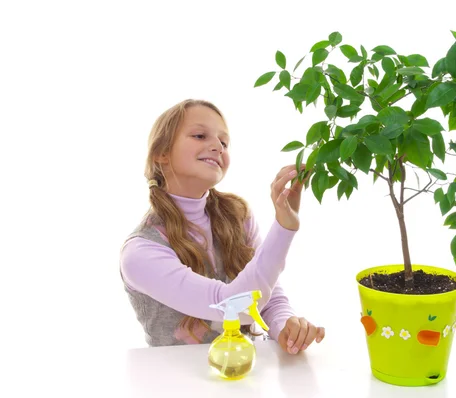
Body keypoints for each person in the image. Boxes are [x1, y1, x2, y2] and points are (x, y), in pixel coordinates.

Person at [119, 99, 324, 355]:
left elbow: (268, 296)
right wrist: (283, 228)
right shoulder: (141, 251)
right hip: (177, 384)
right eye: (199, 135)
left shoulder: (237, 215)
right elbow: (230, 306)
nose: (217, 146)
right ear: (162, 153)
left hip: (247, 376)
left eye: (224, 143)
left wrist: (284, 327)